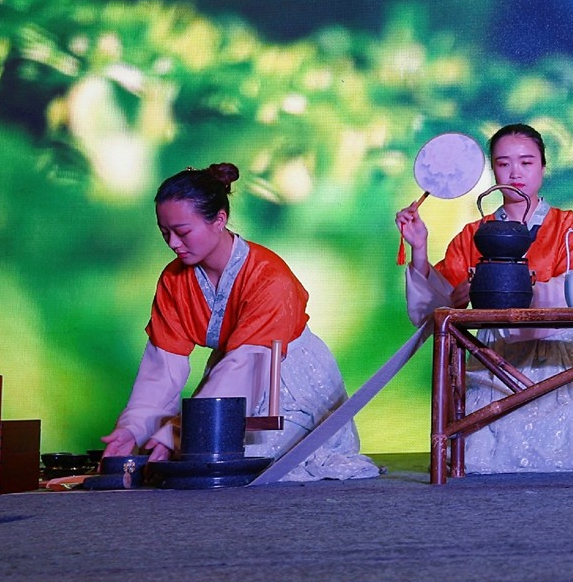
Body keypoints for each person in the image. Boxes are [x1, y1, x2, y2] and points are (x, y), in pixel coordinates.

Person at [103, 163, 376, 479]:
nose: (173, 243)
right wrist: (133, 428)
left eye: (182, 231)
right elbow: (161, 369)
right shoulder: (174, 280)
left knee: (232, 459)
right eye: (165, 233)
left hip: (288, 388)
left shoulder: (270, 277)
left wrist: (178, 434)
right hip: (228, 387)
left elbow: (245, 367)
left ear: (219, 219)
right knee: (176, 453)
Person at [395, 124, 573, 472]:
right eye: (503, 163)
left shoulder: (567, 226)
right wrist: (419, 247)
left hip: (555, 356)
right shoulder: (474, 234)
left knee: (568, 460)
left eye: (527, 163)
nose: (515, 173)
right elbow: (435, 309)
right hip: (495, 358)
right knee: (485, 460)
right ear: (493, 171)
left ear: (543, 167)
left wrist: (509, 289)